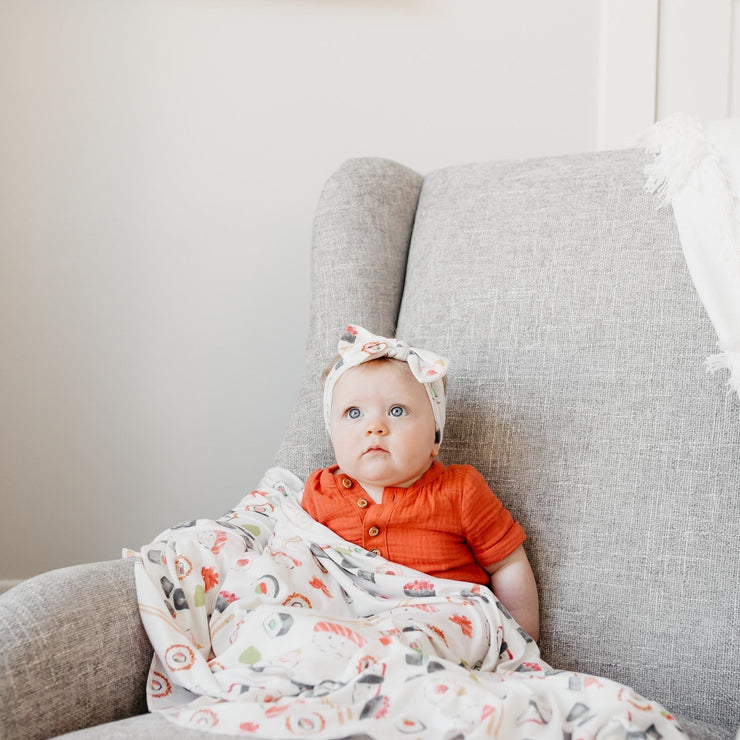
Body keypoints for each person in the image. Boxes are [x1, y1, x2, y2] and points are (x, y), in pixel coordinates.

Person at [301, 324, 540, 641]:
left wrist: (522, 638)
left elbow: (506, 564)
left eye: (396, 410)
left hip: (444, 633)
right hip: (350, 636)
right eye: (354, 413)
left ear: (434, 437)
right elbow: (295, 563)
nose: (375, 426)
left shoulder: (460, 491)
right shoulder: (319, 492)